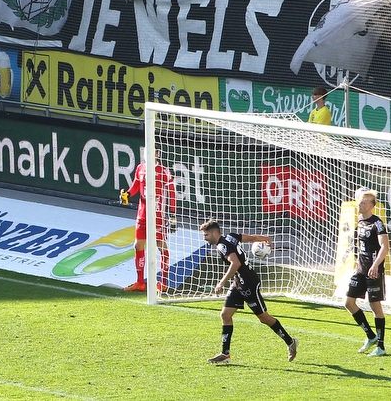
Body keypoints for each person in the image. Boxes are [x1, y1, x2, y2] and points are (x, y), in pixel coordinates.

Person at [200, 220, 298, 365]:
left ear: (215, 232)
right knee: (225, 315)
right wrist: (266, 239)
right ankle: (225, 354)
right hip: (238, 283)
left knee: (264, 318)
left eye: (206, 235)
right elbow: (251, 238)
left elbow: (236, 263)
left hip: (249, 284)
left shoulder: (222, 246)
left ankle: (291, 342)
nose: (205, 238)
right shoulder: (231, 236)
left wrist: (221, 282)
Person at [120, 149, 176, 292]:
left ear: (157, 154)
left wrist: (173, 214)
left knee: (160, 245)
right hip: (142, 213)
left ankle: (163, 282)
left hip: (158, 214)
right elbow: (135, 187)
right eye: (146, 150)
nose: (148, 153)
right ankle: (140, 282)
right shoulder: (140, 168)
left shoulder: (163, 171)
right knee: (138, 245)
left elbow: (171, 192)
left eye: (152, 151)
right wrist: (127, 194)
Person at [344, 189, 389, 357]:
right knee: (349, 302)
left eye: (363, 202)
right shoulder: (360, 222)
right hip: (360, 270)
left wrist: (376, 265)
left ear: (371, 206)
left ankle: (381, 346)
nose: (359, 205)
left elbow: (384, 247)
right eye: (359, 202)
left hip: (374, 271)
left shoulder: (377, 223)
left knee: (375, 306)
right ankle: (371, 336)